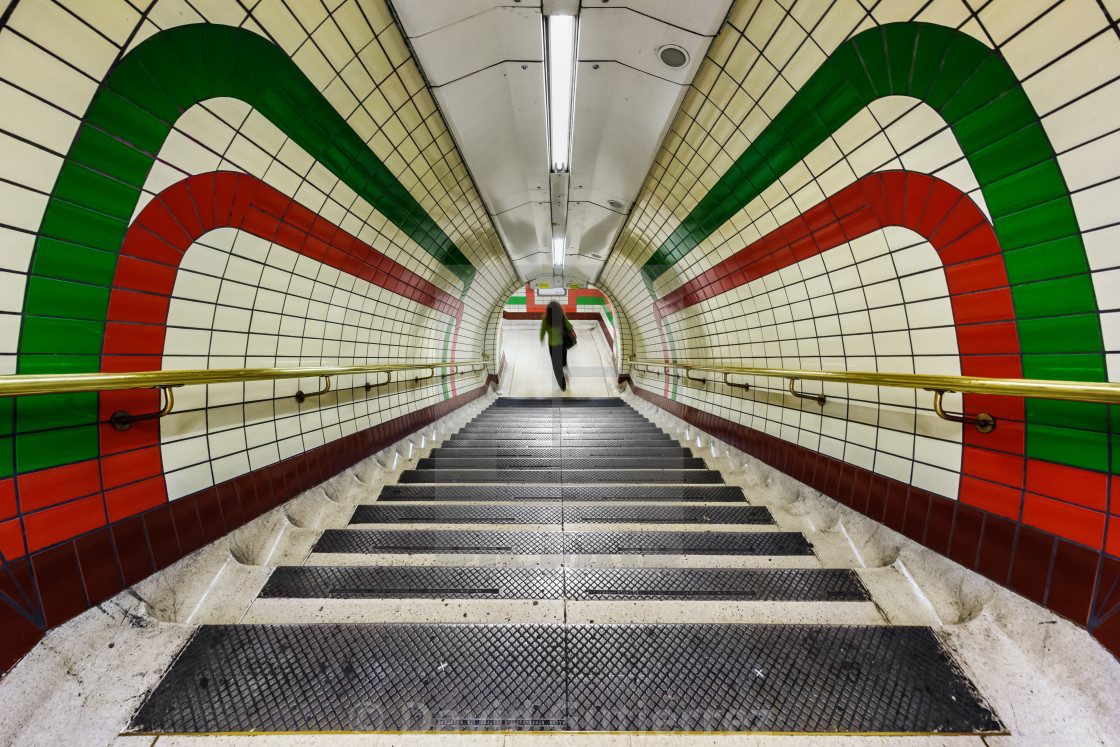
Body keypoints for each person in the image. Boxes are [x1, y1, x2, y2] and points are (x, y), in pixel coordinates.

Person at [539, 300, 574, 391]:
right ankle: (564, 367)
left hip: (552, 346)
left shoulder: (545, 319)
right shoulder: (562, 317)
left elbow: (542, 331)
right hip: (562, 343)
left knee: (556, 365)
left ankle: (562, 384)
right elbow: (570, 326)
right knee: (563, 359)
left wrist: (542, 339)